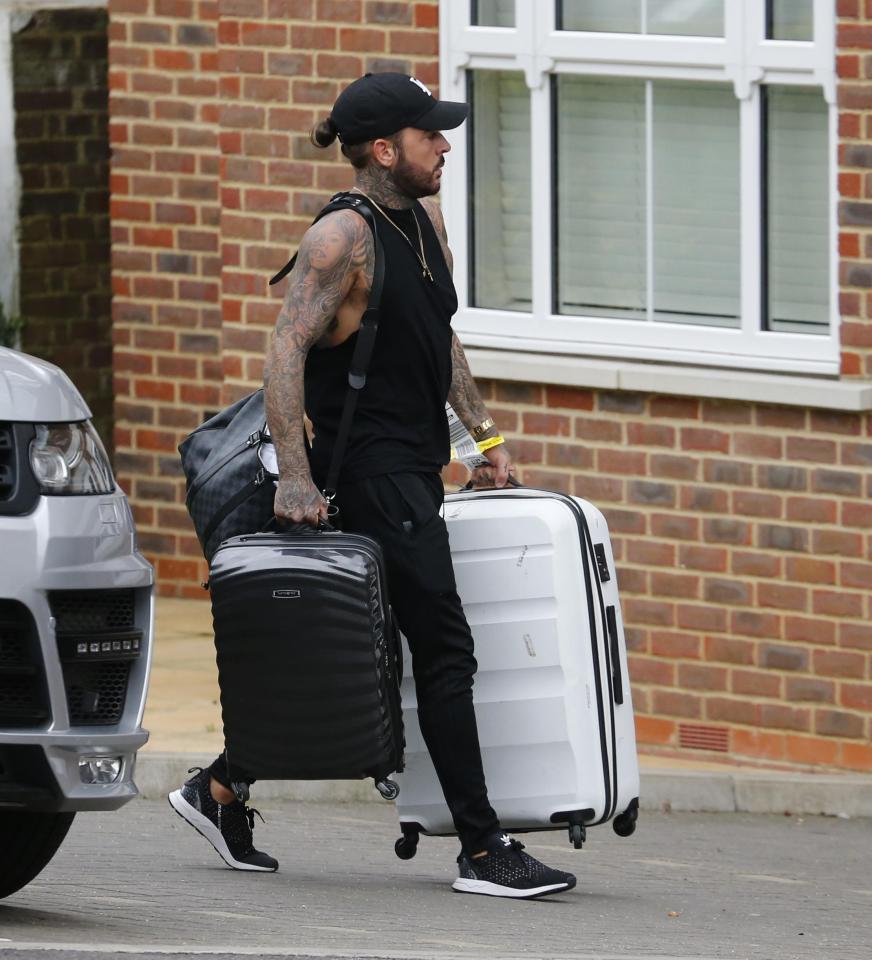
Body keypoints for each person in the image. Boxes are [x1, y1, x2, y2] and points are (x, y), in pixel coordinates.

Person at [169, 73, 576, 899]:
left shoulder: (423, 223)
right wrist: (294, 475)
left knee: (354, 654)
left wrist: (483, 439)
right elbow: (284, 351)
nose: (446, 145)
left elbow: (440, 340)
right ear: (385, 150)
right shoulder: (340, 239)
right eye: (430, 136)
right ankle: (482, 848)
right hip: (367, 470)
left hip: (415, 462)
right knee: (446, 646)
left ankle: (216, 787)